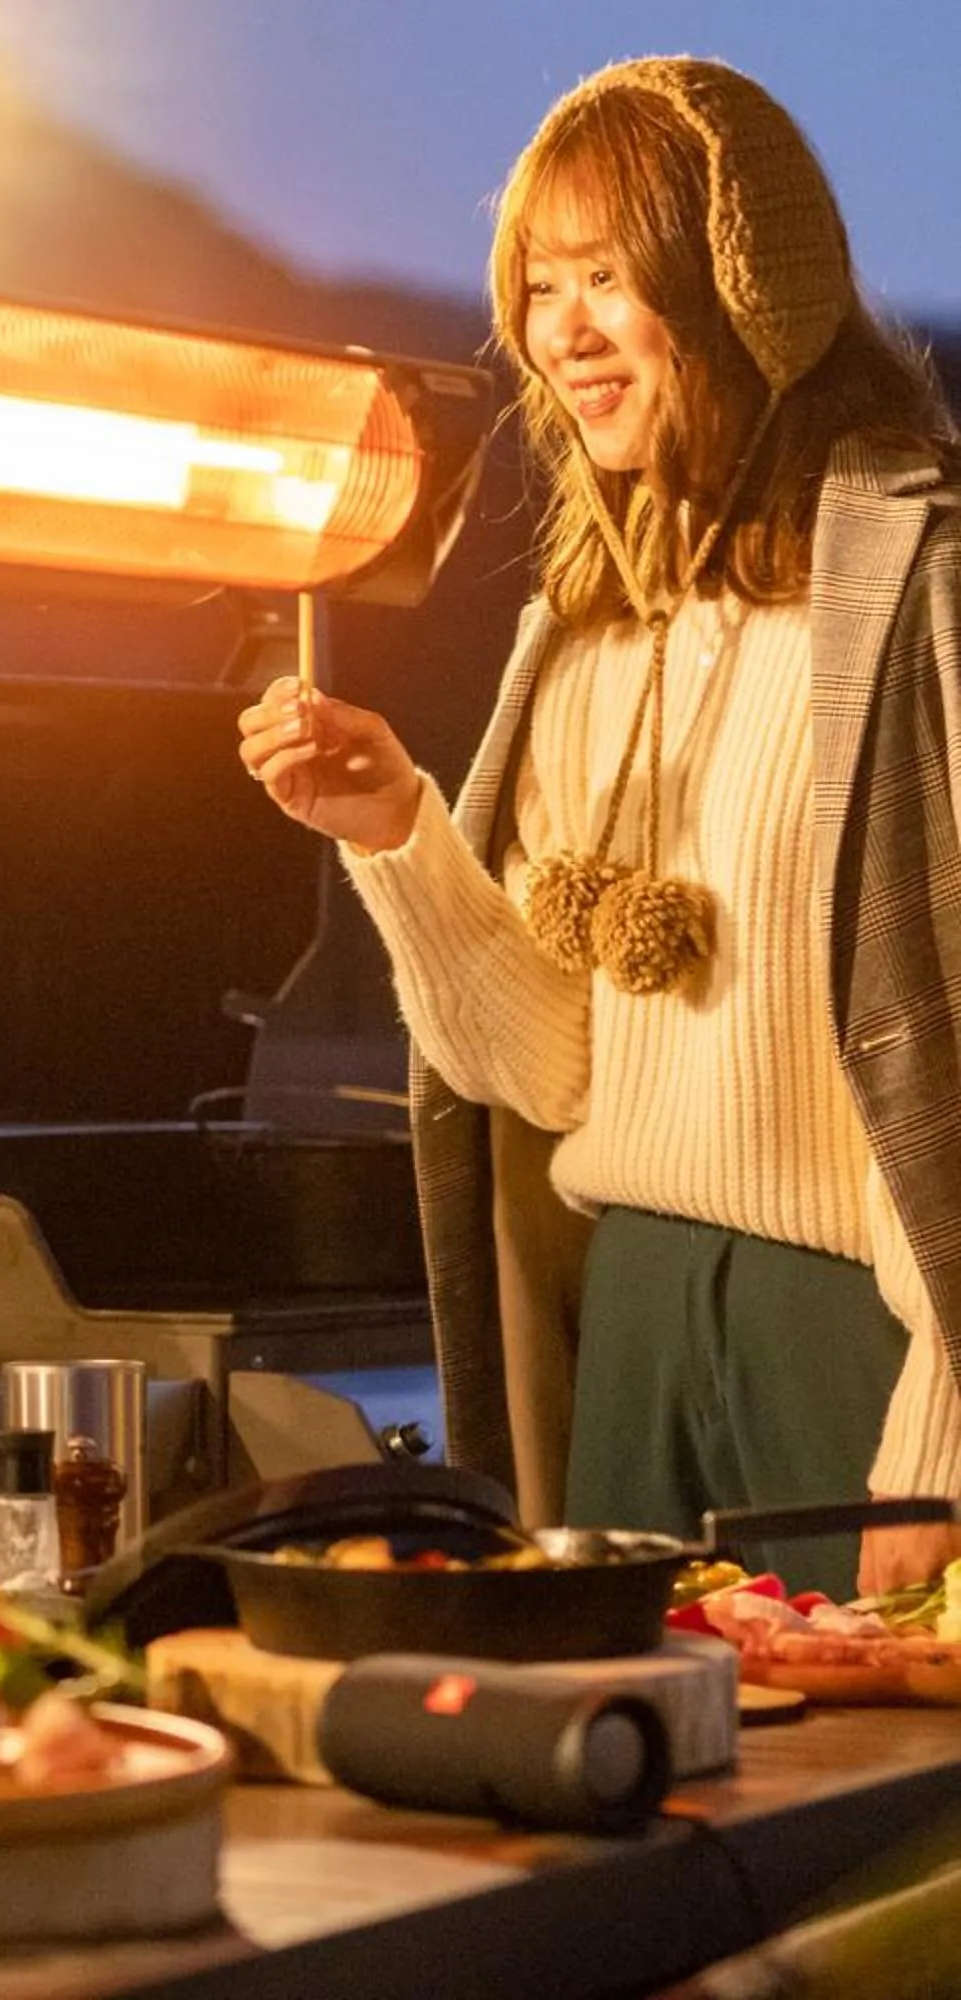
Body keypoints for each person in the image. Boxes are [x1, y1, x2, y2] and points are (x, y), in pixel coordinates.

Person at [238, 57, 961, 1597]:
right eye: (541, 285)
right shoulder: (580, 641)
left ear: (744, 289)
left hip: (855, 1327)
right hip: (631, 1311)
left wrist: (947, 1422)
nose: (563, 332)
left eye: (609, 278)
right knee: (649, 1786)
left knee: (887, 1816)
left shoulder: (920, 601)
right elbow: (553, 1067)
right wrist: (397, 836)